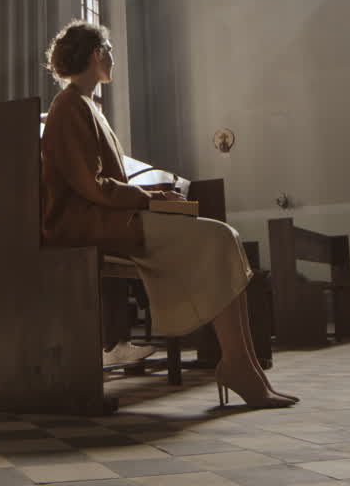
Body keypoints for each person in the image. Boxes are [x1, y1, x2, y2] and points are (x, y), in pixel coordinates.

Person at [42, 21, 296, 409]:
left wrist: (153, 194)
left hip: (107, 217)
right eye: (109, 50)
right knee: (219, 238)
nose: (113, 58)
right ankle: (239, 367)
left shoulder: (86, 104)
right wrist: (148, 198)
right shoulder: (68, 107)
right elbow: (91, 186)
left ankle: (243, 366)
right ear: (96, 54)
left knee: (224, 238)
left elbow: (105, 182)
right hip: (85, 224)